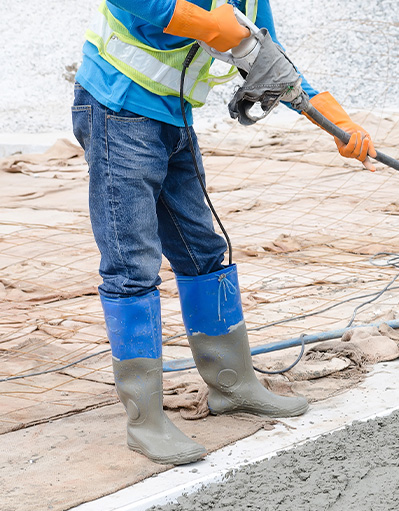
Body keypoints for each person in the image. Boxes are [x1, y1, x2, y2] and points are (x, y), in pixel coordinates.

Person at [72, 0, 376, 465]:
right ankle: (145, 420)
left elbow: (274, 65)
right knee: (131, 264)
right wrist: (203, 22)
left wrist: (337, 122)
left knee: (203, 251)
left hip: (173, 122)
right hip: (116, 112)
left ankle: (232, 386)